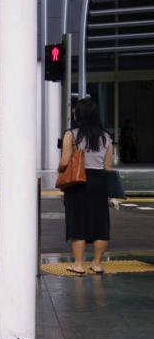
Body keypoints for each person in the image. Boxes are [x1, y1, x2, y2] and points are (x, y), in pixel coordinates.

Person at [59, 98, 113, 275]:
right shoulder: (106, 137)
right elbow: (108, 168)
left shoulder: (71, 135)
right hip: (99, 182)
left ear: (79, 114)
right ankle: (97, 264)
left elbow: (65, 162)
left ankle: (79, 265)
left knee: (78, 224)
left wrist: (60, 169)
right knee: (100, 225)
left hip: (78, 182)